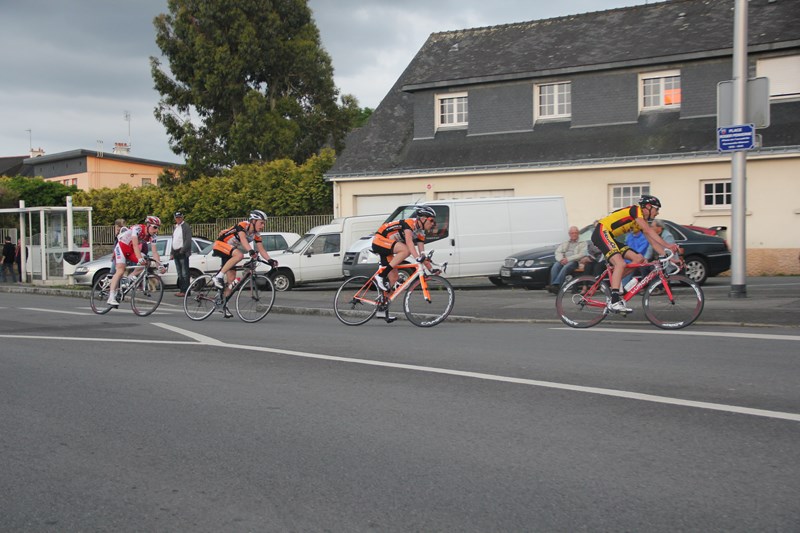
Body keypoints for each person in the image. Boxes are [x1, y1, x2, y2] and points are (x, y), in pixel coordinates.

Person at [591, 194, 679, 313]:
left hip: (610, 236)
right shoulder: (635, 211)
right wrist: (668, 245)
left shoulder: (640, 221)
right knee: (620, 263)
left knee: (639, 259)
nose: (657, 213)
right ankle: (614, 301)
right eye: (656, 209)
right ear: (648, 206)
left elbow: (652, 243)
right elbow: (649, 230)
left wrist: (670, 258)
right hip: (601, 232)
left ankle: (614, 283)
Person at [211, 210, 278, 317]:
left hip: (230, 251)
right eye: (261, 223)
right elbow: (243, 239)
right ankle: (218, 277)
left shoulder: (256, 235)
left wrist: (270, 260)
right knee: (239, 255)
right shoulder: (243, 225)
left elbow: (261, 249)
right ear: (253, 221)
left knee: (231, 282)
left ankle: (223, 304)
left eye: (264, 223)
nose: (263, 226)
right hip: (220, 245)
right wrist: (250, 251)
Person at [371, 206, 436, 292]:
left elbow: (422, 253)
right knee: (406, 250)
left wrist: (431, 269)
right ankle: (381, 275)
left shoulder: (421, 232)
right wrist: (417, 258)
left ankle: (384, 299)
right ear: (423, 219)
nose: (433, 223)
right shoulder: (410, 223)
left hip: (388, 246)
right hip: (379, 240)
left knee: (394, 278)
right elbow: (409, 242)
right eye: (431, 220)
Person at [107, 216, 164, 307]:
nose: (156, 230)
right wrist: (139, 258)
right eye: (155, 227)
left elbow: (154, 252)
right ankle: (111, 297)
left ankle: (129, 278)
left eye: (158, 228)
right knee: (120, 270)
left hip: (131, 251)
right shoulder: (138, 228)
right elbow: (135, 245)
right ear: (148, 225)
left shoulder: (153, 236)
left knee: (147, 262)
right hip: (122, 247)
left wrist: (159, 265)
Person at [546, 226, 588, 293]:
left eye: (575, 233)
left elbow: (581, 254)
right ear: (569, 234)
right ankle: (553, 286)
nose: (574, 234)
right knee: (555, 265)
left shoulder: (583, 243)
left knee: (566, 267)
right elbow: (558, 252)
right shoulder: (565, 243)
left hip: (575, 261)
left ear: (578, 233)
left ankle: (557, 285)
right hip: (564, 260)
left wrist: (568, 259)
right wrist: (561, 259)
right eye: (572, 233)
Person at [170, 211, 192, 297]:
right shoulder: (175, 227)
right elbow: (173, 240)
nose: (178, 219)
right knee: (179, 273)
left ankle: (186, 291)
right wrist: (172, 252)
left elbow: (188, 240)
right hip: (176, 252)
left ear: (182, 217)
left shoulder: (186, 226)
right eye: (177, 217)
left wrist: (182, 251)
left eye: (179, 217)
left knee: (184, 273)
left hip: (182, 252)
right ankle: (182, 290)